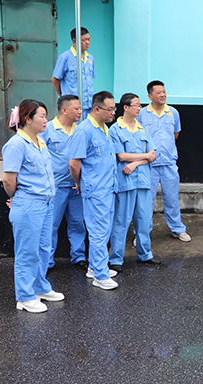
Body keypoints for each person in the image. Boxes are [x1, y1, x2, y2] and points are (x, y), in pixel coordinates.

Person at [2, 99, 65, 313]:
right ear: (28, 119)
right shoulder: (16, 144)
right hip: (28, 204)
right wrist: (17, 197)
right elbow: (8, 180)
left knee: (44, 249)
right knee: (27, 252)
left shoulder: (40, 142)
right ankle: (25, 296)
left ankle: (39, 287)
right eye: (42, 116)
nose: (46, 120)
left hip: (46, 204)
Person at [69, 91, 119, 290]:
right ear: (97, 109)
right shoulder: (84, 131)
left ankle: (94, 267)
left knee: (104, 231)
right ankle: (100, 275)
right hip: (96, 190)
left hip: (108, 188)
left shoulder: (104, 128)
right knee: (98, 232)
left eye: (114, 109)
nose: (113, 113)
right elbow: (74, 163)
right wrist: (80, 183)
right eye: (110, 109)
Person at [109, 93, 161, 273]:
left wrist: (135, 163)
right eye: (136, 105)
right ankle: (116, 258)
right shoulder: (115, 130)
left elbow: (153, 155)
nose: (140, 108)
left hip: (143, 181)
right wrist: (144, 157)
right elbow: (121, 156)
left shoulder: (142, 128)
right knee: (121, 221)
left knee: (144, 220)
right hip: (126, 182)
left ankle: (145, 254)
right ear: (126, 107)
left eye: (140, 105)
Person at [137, 81, 191, 242]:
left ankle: (177, 229)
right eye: (158, 92)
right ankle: (142, 233)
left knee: (172, 199)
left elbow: (175, 135)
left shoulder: (173, 112)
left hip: (168, 163)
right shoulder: (142, 114)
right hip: (148, 164)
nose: (162, 95)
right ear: (150, 96)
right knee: (146, 201)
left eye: (164, 91)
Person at [39, 95, 87, 270]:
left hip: (76, 186)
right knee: (51, 225)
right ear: (64, 110)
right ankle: (47, 261)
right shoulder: (47, 129)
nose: (80, 112)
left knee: (78, 223)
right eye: (77, 108)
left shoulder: (80, 130)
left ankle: (79, 256)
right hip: (55, 187)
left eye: (80, 108)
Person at [51, 27, 94, 118]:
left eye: (89, 39)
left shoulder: (90, 58)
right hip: (73, 107)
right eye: (84, 40)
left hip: (88, 106)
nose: (87, 42)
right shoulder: (65, 57)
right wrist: (63, 96)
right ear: (75, 41)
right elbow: (55, 79)